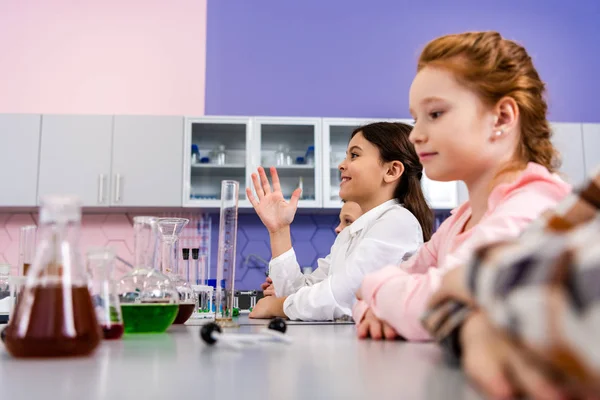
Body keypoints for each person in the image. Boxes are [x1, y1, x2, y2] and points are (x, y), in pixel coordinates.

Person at [354, 31, 572, 341]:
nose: (415, 135)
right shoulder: (460, 221)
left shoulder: (536, 207)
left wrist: (373, 288)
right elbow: (387, 299)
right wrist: (375, 306)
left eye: (435, 114)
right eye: (416, 118)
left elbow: (431, 304)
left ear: (502, 117)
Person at [423, 169, 600, 399]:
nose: (417, 137)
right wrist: (475, 324)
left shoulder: (534, 196)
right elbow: (441, 296)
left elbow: (579, 289)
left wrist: (473, 279)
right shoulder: (592, 192)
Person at [247, 121, 433, 320]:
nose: (341, 165)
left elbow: (344, 296)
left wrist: (277, 307)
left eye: (354, 155)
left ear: (391, 171)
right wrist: (279, 231)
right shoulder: (349, 235)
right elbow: (300, 292)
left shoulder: (398, 221)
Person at [261, 201, 363, 297]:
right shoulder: (338, 255)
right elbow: (299, 290)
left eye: (348, 221)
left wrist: (284, 302)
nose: (337, 228)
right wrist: (283, 290)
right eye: (340, 221)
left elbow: (337, 300)